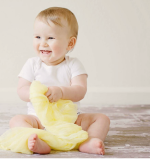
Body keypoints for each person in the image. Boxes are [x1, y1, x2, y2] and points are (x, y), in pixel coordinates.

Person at [9, 7, 110, 155]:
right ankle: (39, 140)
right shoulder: (32, 64)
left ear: (70, 43)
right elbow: (21, 89)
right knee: (16, 121)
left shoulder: (73, 64)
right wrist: (36, 95)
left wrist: (61, 92)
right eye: (38, 37)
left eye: (50, 38)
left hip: (70, 121)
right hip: (39, 120)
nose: (43, 43)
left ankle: (89, 141)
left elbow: (80, 90)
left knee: (102, 119)